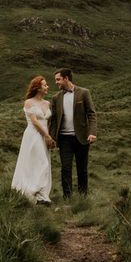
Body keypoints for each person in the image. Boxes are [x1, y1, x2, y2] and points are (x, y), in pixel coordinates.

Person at [49, 68, 97, 199]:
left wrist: (92, 132)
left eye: (58, 79)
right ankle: (67, 197)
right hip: (64, 139)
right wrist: (51, 138)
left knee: (82, 169)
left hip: (82, 137)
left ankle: (83, 197)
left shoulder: (84, 93)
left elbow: (91, 114)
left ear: (66, 78)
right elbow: (53, 120)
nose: (56, 82)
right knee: (65, 168)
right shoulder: (55, 98)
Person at [12, 75, 56, 205]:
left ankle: (42, 195)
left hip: (45, 136)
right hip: (33, 135)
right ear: (37, 88)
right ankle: (32, 191)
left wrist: (50, 136)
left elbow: (47, 121)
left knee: (42, 162)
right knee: (41, 163)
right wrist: (47, 136)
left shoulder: (47, 103)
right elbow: (35, 122)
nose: (47, 87)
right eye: (45, 85)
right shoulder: (29, 102)